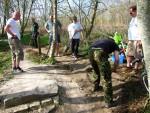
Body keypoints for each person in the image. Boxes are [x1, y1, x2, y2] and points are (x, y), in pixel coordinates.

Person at [89, 38, 119, 108]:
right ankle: (109, 102)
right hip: (100, 52)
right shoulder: (114, 44)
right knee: (106, 78)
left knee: (96, 70)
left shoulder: (101, 41)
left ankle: (95, 87)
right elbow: (117, 59)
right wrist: (114, 68)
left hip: (90, 51)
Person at [126, 5, 142, 70]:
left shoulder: (139, 19)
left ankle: (136, 68)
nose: (130, 14)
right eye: (129, 12)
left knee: (137, 54)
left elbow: (142, 29)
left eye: (131, 12)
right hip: (131, 39)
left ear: (136, 11)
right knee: (128, 53)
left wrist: (140, 40)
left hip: (137, 39)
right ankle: (128, 66)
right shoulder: (132, 19)